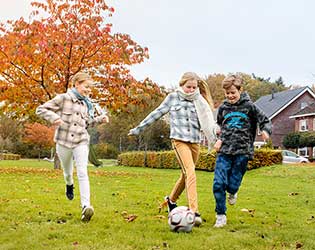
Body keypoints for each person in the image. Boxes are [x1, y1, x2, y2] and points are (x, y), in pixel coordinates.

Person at [128, 72, 217, 226]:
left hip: (195, 142)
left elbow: (209, 121)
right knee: (191, 172)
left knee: (185, 175)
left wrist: (216, 136)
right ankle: (194, 211)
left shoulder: (199, 101)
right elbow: (156, 113)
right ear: (181, 85)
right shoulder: (173, 97)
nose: (191, 90)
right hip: (179, 140)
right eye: (188, 87)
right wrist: (139, 128)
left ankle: (171, 201)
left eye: (194, 87)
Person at [36, 72, 109, 222]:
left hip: (81, 141)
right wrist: (54, 118)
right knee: (68, 173)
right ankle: (69, 185)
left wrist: (100, 119)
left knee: (82, 172)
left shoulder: (87, 104)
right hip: (63, 142)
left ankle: (85, 207)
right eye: (86, 86)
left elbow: (87, 123)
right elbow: (41, 109)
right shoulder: (63, 98)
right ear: (76, 84)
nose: (89, 90)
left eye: (90, 87)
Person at [212, 74, 272, 228]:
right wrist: (217, 135)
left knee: (232, 185)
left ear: (240, 90)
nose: (230, 96)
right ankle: (220, 215)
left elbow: (265, 120)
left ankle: (233, 191)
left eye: (233, 92)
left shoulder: (249, 107)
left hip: (242, 152)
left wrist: (265, 131)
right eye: (227, 93)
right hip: (224, 150)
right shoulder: (223, 108)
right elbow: (219, 125)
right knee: (218, 184)